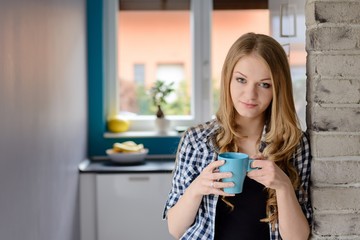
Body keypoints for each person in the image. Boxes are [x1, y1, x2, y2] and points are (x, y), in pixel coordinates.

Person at [162, 32, 312, 240]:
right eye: (241, 80)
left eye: (264, 84)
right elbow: (175, 229)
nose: (250, 94)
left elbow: (298, 238)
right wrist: (198, 187)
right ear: (228, 79)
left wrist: (283, 186)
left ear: (278, 89)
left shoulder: (294, 145)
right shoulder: (197, 140)